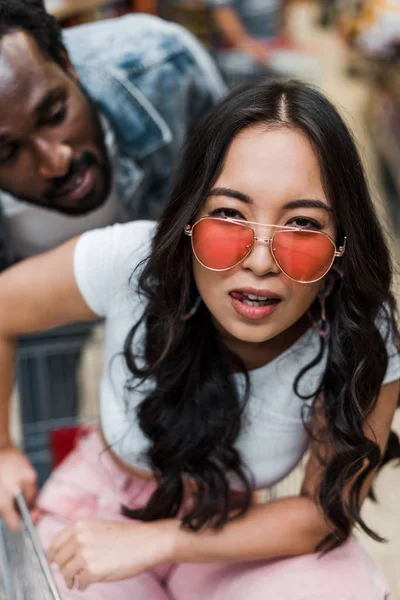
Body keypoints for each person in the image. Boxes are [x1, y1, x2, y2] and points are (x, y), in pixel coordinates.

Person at [0, 79, 399, 599]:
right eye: (230, 214)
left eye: (302, 224)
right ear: (190, 217)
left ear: (341, 246)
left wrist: (162, 541)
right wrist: (2, 450)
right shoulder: (132, 262)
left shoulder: (362, 334)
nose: (259, 261)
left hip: (225, 530)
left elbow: (324, 512)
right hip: (97, 510)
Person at [0, 0, 225, 480]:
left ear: (67, 63)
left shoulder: (164, 70)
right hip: (38, 305)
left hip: (172, 279)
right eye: (8, 151)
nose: (55, 160)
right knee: (47, 443)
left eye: (55, 112)